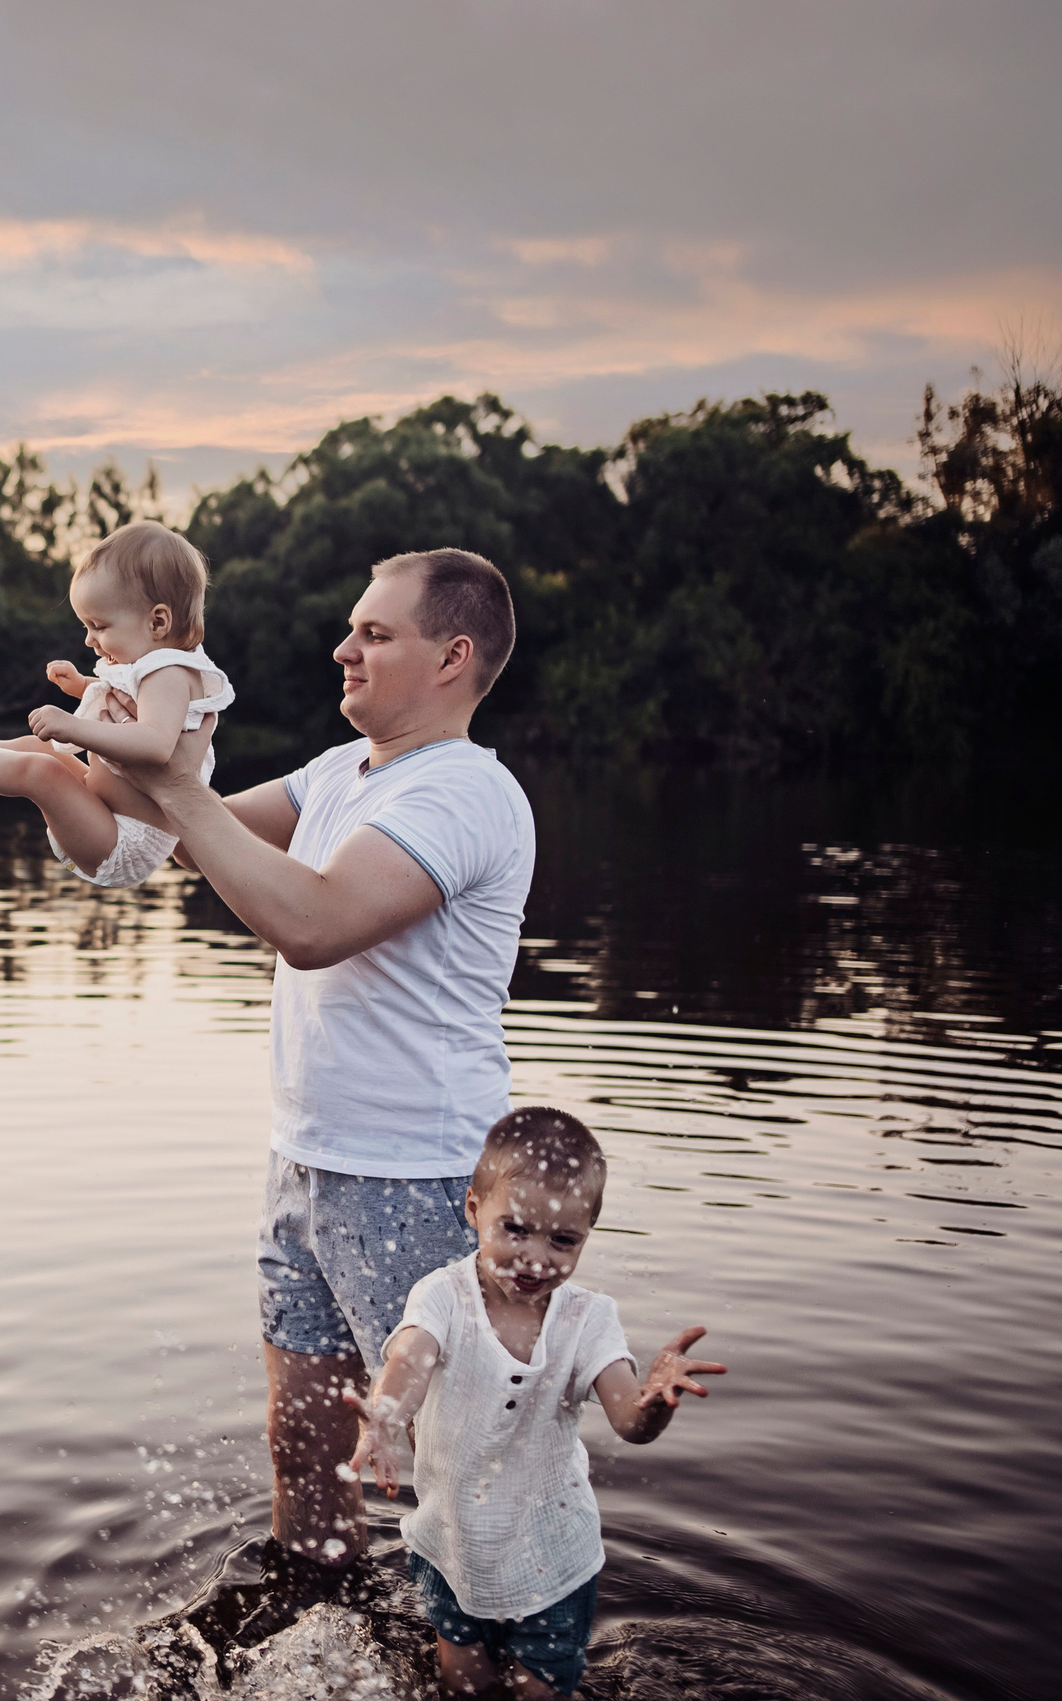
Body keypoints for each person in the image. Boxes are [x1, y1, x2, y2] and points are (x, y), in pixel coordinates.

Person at [123, 549, 539, 1679]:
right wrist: (43, 745)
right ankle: (318, 1639)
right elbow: (161, 826)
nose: (342, 648)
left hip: (416, 1181)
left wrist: (171, 782)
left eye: (374, 633)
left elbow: (306, 919)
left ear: (451, 657)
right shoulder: (339, 771)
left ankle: (479, 1665)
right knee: (303, 1456)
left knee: (449, 1487)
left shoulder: (458, 789)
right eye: (350, 630)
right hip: (304, 1165)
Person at [347, 1107, 726, 1698]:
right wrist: (386, 1413)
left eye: (562, 1240)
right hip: (452, 1545)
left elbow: (629, 1420)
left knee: (540, 1693)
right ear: (475, 1211)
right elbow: (411, 1360)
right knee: (462, 1685)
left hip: (553, 1556)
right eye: (515, 1230)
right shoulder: (444, 1296)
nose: (535, 1257)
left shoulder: (589, 1319)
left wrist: (656, 1402)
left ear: (587, 1235)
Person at [0, 521, 232, 889]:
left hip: (124, 841)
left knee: (39, 771)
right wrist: (84, 687)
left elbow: (155, 744)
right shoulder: (156, 668)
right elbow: (135, 707)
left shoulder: (170, 673)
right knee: (36, 748)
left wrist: (73, 726)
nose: (90, 640)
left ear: (157, 621)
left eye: (99, 626)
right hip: (104, 812)